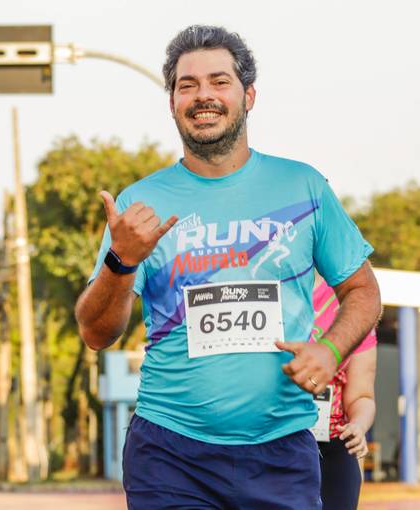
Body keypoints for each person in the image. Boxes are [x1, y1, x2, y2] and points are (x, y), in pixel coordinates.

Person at [75, 25, 381, 509]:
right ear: (172, 102)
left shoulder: (303, 186)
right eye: (187, 85)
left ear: (249, 95)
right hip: (170, 451)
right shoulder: (140, 203)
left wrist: (329, 349)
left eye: (219, 81)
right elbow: (96, 333)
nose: (203, 96)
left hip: (282, 449)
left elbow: (363, 291)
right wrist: (121, 261)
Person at [310, 278, 377, 510]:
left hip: (332, 444)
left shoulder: (354, 302)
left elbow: (362, 395)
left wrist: (358, 425)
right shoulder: (266, 285)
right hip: (271, 439)